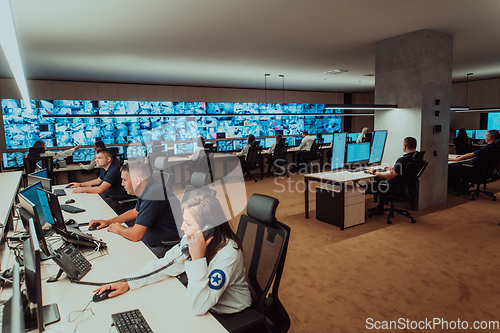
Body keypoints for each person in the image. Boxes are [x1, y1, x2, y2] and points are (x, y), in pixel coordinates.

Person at [93, 195, 252, 316]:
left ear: (208, 228)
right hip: (201, 298)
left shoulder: (228, 254)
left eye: (188, 224)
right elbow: (165, 264)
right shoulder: (191, 238)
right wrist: (128, 282)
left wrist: (197, 258)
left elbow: (199, 307)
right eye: (183, 221)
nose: (182, 228)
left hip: (227, 311)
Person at [89, 161, 182, 258]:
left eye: (124, 180)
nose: (122, 184)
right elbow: (135, 212)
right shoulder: (147, 188)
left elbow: (135, 235)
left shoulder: (153, 194)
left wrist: (120, 229)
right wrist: (108, 222)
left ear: (137, 180)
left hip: (164, 246)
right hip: (149, 237)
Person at [366, 137, 418, 213]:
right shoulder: (416, 158)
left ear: (404, 146)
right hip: (407, 188)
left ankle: (378, 208)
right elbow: (406, 170)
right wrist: (394, 168)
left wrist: (374, 172)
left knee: (371, 185)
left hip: (395, 188)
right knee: (380, 180)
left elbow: (389, 176)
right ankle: (380, 207)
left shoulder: (403, 160)